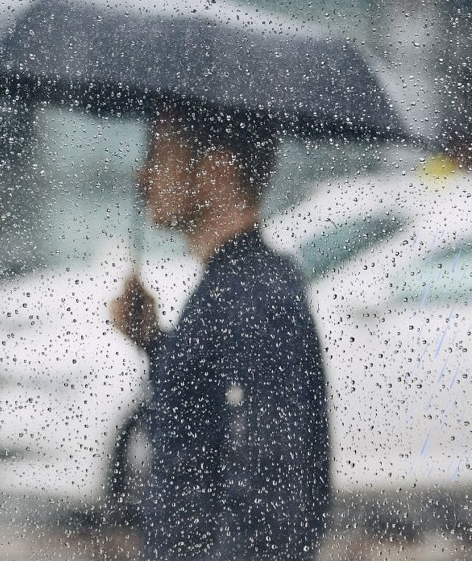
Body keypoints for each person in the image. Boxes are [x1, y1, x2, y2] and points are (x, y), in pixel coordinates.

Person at [111, 103, 331, 560]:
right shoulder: (234, 285)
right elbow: (204, 423)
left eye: (159, 156)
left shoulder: (254, 295)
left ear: (216, 168)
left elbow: (272, 482)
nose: (142, 178)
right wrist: (153, 340)